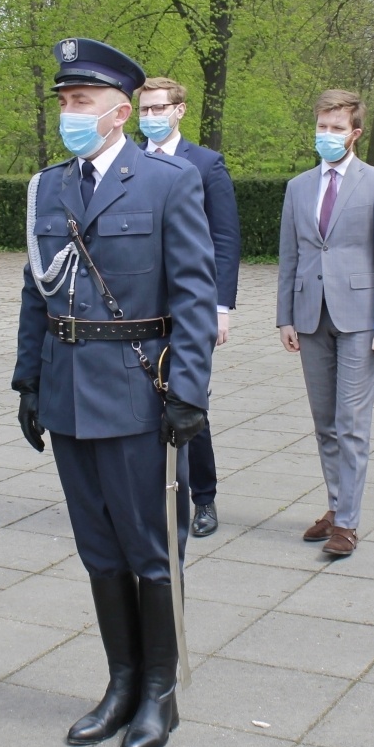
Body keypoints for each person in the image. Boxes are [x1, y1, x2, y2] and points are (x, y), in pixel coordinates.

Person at [13, 38, 217, 747]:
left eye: (83, 101)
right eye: (65, 101)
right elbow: (37, 291)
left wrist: (188, 389)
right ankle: (121, 680)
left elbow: (194, 294)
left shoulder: (164, 182)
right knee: (98, 547)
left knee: (150, 548)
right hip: (68, 392)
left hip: (136, 389)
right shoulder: (50, 186)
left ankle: (160, 691)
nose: (71, 113)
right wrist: (28, 379)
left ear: (121, 110)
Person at [275, 89, 374, 558]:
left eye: (336, 127)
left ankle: (346, 523)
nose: (326, 135)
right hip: (310, 318)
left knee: (350, 422)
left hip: (360, 321)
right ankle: (336, 504)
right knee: (324, 421)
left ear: (355, 133)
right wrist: (284, 316)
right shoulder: (298, 187)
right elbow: (291, 256)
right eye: (322, 126)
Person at [137, 76, 239, 537]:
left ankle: (204, 499)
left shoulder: (205, 164)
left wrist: (220, 309)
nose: (152, 117)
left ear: (180, 110)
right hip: (140, 311)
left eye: (160, 109)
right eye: (145, 110)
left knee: (189, 400)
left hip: (191, 308)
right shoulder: (130, 162)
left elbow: (224, 240)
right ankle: (149, 494)